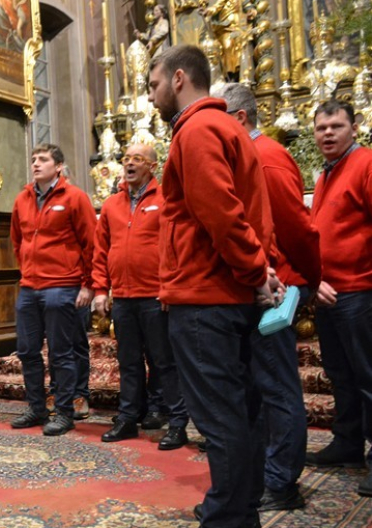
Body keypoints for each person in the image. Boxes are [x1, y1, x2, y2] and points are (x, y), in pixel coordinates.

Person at [148, 45, 280, 527]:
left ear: (179, 78)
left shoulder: (199, 129)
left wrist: (254, 271)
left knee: (221, 419)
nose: (151, 97)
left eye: (154, 85)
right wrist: (260, 270)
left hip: (205, 299)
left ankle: (229, 517)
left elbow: (222, 215)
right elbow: (250, 214)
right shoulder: (229, 127)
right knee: (242, 412)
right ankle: (240, 508)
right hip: (227, 295)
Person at [214, 82, 323, 510]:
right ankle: (263, 473)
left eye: (219, 118)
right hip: (256, 287)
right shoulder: (246, 156)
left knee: (277, 388)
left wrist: (310, 279)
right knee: (257, 388)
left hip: (277, 290)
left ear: (240, 119)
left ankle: (282, 481)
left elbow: (296, 228)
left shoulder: (268, 159)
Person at [92, 143, 190, 450]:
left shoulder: (166, 199)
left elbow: (174, 247)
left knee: (164, 362)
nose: (130, 164)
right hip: (122, 296)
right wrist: (99, 289)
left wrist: (169, 287)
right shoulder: (110, 205)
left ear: (151, 165)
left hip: (155, 296)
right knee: (128, 361)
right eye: (126, 159)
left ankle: (177, 424)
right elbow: (100, 250)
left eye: (137, 159)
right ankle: (128, 419)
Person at [306, 100, 372, 498]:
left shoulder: (364, 164)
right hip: (329, 294)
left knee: (368, 377)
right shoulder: (329, 173)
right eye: (320, 128)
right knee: (340, 376)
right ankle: (348, 443)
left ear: (354, 127)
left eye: (335, 126)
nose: (327, 133)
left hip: (359, 290)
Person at [9, 144, 95, 436]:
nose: (36, 164)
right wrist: (27, 270)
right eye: (33, 159)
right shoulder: (22, 199)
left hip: (62, 285)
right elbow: (16, 240)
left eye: (43, 160)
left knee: (61, 353)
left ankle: (64, 412)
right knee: (27, 351)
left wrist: (87, 284)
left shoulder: (75, 197)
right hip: (30, 287)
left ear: (58, 166)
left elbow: (90, 243)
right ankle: (36, 407)